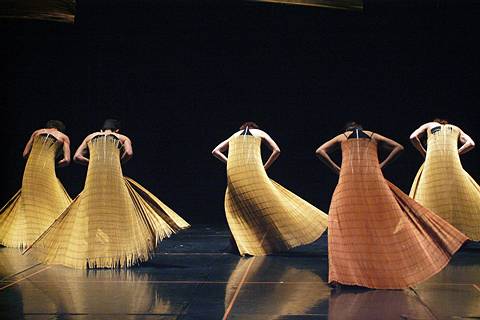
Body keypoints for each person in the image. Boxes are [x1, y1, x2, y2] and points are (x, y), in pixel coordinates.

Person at [316, 121, 467, 289]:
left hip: (348, 181)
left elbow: (320, 151)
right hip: (373, 179)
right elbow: (399, 148)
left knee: (343, 224)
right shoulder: (373, 136)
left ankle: (346, 273)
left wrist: (338, 169)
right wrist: (381, 166)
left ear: (347, 130)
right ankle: (386, 266)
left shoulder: (343, 137)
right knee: (383, 220)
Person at [25, 119, 190, 268]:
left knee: (91, 210)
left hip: (94, 175)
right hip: (113, 174)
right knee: (118, 210)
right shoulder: (123, 138)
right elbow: (130, 153)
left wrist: (93, 162)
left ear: (101, 129)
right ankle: (119, 254)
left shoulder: (90, 137)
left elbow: (76, 157)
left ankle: (89, 255)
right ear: (116, 130)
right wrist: (119, 161)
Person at [212, 121, 328, 256]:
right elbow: (277, 150)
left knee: (237, 205)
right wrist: (264, 166)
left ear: (242, 128)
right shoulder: (260, 133)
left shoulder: (234, 135)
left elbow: (215, 151)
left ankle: (239, 241)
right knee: (265, 201)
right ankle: (268, 238)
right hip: (253, 169)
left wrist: (231, 162)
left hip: (234, 171)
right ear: (255, 127)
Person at [0, 120, 72, 248]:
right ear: (59, 129)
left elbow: (25, 154)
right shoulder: (63, 137)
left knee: (28, 201)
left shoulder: (37, 133)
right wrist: (54, 164)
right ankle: (48, 234)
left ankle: (25, 237)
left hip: (31, 169)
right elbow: (67, 160)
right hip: (47, 168)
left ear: (48, 126)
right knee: (50, 198)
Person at [409, 118, 479, 240]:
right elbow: (471, 143)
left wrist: (424, 153)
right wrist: (456, 152)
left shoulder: (429, 125)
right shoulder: (456, 128)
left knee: (429, 190)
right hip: (452, 161)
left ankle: (429, 230)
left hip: (433, 160)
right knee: (456, 190)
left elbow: (413, 137)